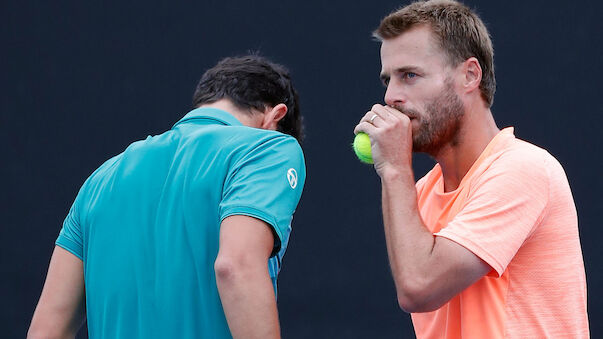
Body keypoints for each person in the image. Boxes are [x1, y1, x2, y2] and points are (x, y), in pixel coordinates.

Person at [27, 55, 306, 339]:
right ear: (275, 118)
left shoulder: (99, 180)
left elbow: (45, 332)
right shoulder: (269, 149)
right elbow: (236, 265)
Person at [354, 1, 589, 338]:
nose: (391, 96)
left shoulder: (523, 169)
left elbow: (419, 286)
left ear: (469, 75)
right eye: (388, 79)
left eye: (409, 75)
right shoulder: (416, 193)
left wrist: (393, 170)